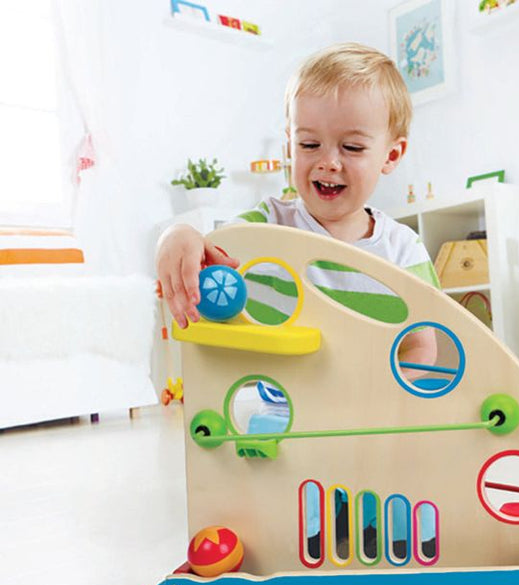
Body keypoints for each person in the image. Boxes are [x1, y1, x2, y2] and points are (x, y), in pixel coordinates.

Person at [156, 42, 438, 370]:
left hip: (371, 399)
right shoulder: (267, 223)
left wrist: (387, 391)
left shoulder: (403, 249)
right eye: (309, 144)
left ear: (391, 155)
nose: (328, 162)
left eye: (352, 147)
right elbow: (211, 254)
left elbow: (421, 347)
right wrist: (177, 236)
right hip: (279, 397)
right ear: (290, 146)